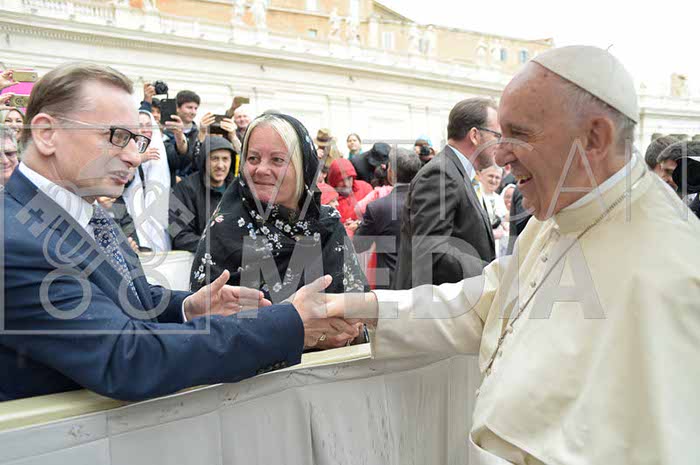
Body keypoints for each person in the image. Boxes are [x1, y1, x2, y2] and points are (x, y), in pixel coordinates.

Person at [325, 45, 700, 464]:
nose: (500, 155)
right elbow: (483, 306)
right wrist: (362, 306)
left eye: (519, 135)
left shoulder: (674, 267)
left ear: (594, 138)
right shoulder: (558, 212)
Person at [1, 62, 359, 402]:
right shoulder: (16, 243)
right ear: (47, 134)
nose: (133, 157)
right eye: (117, 136)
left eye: (136, 141)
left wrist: (188, 308)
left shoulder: (87, 212)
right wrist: (288, 323)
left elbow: (134, 299)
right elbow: (129, 357)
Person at [189, 113, 368, 336]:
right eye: (253, 158)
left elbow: (359, 313)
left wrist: (346, 332)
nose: (261, 170)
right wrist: (298, 333)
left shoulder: (327, 226)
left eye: (277, 160)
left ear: (304, 167)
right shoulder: (225, 230)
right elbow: (206, 332)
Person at [394, 98, 499, 289]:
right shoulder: (441, 174)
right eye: (497, 136)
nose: (500, 144)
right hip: (430, 302)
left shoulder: (457, 172)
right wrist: (490, 272)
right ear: (475, 135)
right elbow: (431, 250)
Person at [354, 148, 421, 289]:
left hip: (389, 287)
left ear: (392, 173)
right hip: (422, 284)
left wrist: (361, 226)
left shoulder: (377, 208)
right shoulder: (430, 203)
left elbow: (359, 245)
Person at [170, 136, 235, 252]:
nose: (220, 165)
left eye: (225, 159)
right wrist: (217, 248)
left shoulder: (238, 190)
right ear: (204, 160)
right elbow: (179, 235)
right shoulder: (184, 190)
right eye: (214, 159)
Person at [121, 110, 172, 252]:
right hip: (131, 212)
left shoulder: (161, 148)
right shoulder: (124, 148)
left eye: (149, 125)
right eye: (140, 125)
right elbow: (124, 181)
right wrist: (139, 159)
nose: (145, 129)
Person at [327, 158, 373, 237]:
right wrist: (343, 227)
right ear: (334, 180)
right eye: (341, 180)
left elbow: (376, 216)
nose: (346, 184)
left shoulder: (365, 188)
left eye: (349, 178)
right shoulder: (327, 198)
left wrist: (359, 223)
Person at [164, 90, 201, 184]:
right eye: (189, 107)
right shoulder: (165, 133)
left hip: (190, 185)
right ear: (177, 108)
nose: (193, 112)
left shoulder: (199, 134)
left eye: (195, 108)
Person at [477, 164, 508, 255]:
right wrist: (492, 234)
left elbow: (504, 221)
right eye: (490, 176)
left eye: (497, 177)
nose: (494, 180)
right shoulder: (475, 195)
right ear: (480, 175)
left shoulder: (499, 199)